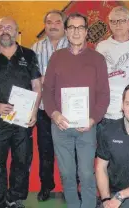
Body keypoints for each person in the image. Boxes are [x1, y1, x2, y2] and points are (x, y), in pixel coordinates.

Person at [42, 13, 110, 208]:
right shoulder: (57, 57)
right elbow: (48, 91)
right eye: (72, 27)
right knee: (67, 174)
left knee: (87, 173)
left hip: (87, 127)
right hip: (60, 126)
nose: (76, 31)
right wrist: (54, 114)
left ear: (87, 32)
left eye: (80, 27)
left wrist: (92, 119)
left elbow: (104, 94)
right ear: (66, 31)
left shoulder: (97, 59)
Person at [0, 17, 42, 208]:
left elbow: (37, 85)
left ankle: (13, 199)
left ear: (16, 31)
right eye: (1, 27)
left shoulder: (28, 55)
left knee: (21, 163)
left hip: (22, 122)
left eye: (9, 28)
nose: (5, 31)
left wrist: (34, 111)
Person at [31, 9, 69, 201]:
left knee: (70, 152)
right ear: (44, 25)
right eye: (49, 22)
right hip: (44, 109)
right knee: (45, 150)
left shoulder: (74, 46)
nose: (52, 25)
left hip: (68, 110)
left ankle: (71, 188)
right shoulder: (35, 48)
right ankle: (46, 186)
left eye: (57, 22)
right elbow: (31, 78)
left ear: (64, 25)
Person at [95, 6, 129, 129]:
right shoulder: (101, 47)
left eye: (122, 21)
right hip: (104, 111)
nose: (117, 25)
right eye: (113, 21)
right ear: (109, 24)